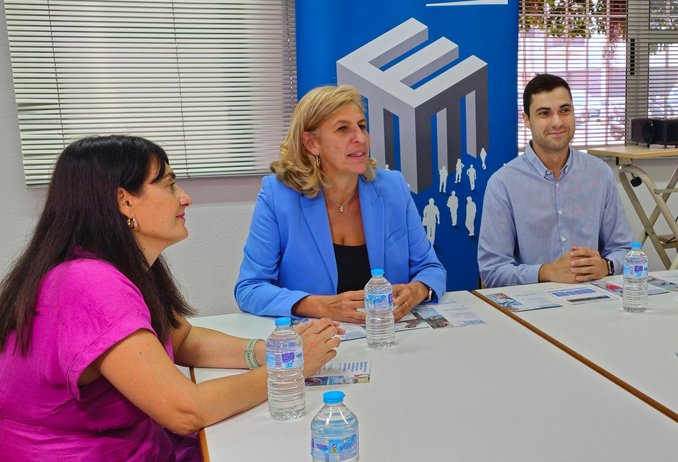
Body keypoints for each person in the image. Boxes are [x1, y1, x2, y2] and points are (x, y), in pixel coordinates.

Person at [0, 136, 342, 460]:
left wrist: (270, 351)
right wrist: (289, 369)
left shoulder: (112, 265)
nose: (184, 198)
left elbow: (183, 338)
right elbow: (186, 411)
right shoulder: (88, 283)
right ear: (124, 200)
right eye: (169, 184)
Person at [235, 85, 446, 323]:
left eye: (362, 126)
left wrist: (417, 290)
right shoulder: (279, 196)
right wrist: (320, 305)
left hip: (388, 336)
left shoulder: (392, 188)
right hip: (318, 342)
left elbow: (431, 269)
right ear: (311, 144)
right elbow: (249, 288)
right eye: (343, 128)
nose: (360, 138)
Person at [478, 73, 632, 287]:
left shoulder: (600, 173)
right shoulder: (503, 184)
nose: (557, 121)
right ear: (526, 120)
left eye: (565, 111)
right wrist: (545, 272)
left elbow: (625, 250)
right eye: (544, 113)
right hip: (533, 308)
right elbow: (492, 272)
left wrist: (607, 266)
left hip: (596, 301)